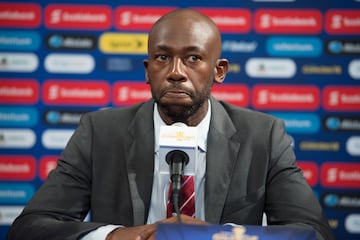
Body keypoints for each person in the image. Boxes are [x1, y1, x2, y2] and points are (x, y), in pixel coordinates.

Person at [7, 8, 334, 240]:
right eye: (163, 58)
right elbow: (30, 228)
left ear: (219, 71)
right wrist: (116, 236)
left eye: (193, 58)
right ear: (148, 70)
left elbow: (312, 233)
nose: (176, 71)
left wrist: (221, 237)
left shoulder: (263, 136)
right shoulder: (100, 132)